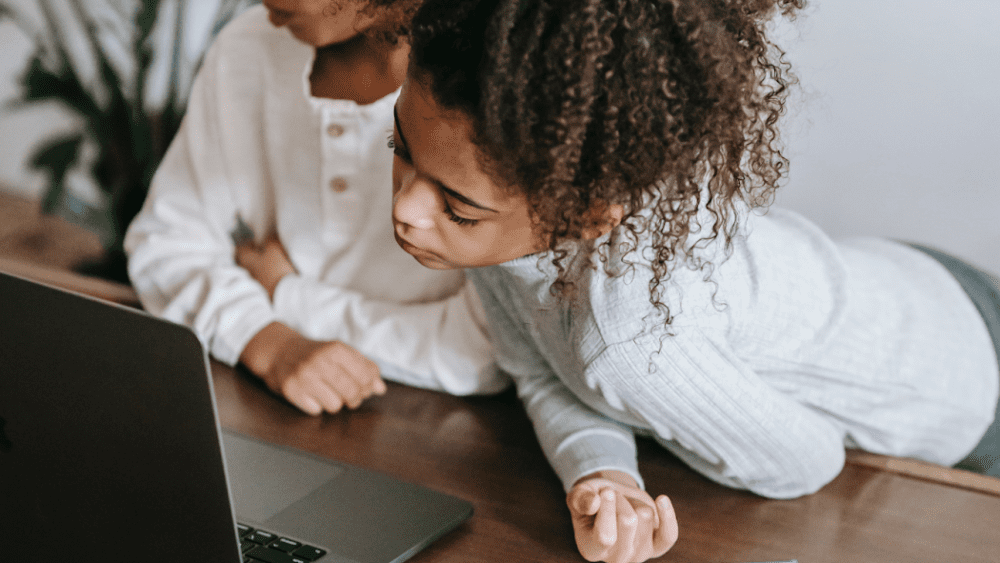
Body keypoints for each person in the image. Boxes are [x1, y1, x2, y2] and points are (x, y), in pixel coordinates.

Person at [388, 0, 1000, 561]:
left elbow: (807, 464)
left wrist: (636, 411)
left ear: (586, 217)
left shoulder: (631, 342)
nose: (406, 210)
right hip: (900, 280)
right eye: (400, 145)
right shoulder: (528, 209)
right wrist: (603, 471)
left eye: (458, 206)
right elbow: (540, 369)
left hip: (965, 387)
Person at [124, 0, 507, 418]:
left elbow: (483, 350)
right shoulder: (247, 49)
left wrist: (286, 295)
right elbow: (166, 244)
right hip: (270, 408)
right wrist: (268, 341)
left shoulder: (496, 76)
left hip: (444, 430)